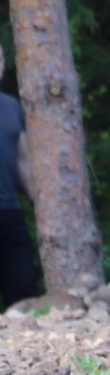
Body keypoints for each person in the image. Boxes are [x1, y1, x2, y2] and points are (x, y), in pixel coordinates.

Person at [0, 46, 38, 310]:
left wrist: (41, 204)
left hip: (9, 212)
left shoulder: (11, 106)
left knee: (24, 294)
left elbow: (23, 160)